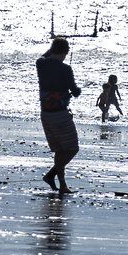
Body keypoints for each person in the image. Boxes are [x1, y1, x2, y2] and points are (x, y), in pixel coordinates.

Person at [36, 37, 81, 193]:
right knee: (72, 148)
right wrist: (78, 91)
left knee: (60, 150)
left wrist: (55, 46)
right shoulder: (66, 69)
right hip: (60, 115)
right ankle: (51, 175)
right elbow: (75, 92)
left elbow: (44, 55)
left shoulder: (40, 64)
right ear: (65, 52)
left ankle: (62, 185)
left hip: (45, 113)